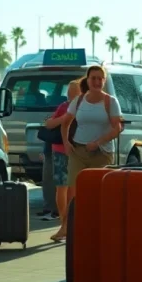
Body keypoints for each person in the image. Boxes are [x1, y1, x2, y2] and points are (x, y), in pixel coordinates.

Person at [63, 66, 124, 194]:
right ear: (88, 80)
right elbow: (65, 123)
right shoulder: (78, 100)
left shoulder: (111, 101)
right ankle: (72, 214)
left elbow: (117, 128)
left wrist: (98, 143)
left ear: (104, 80)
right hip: (78, 151)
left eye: (100, 79)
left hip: (102, 153)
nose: (97, 82)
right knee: (73, 189)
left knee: (96, 190)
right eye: (93, 78)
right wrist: (66, 143)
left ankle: (94, 214)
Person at [42, 77, 82, 242]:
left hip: (70, 151)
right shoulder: (69, 108)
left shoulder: (68, 107)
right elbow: (49, 124)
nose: (70, 96)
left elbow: (49, 123)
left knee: (65, 188)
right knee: (65, 188)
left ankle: (66, 225)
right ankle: (66, 225)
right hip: (66, 151)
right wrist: (64, 118)